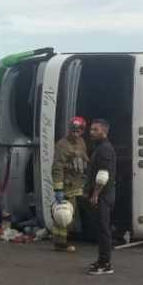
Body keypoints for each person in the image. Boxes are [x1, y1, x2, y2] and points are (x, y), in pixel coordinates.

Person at [51, 116, 89, 252]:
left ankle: (74, 236)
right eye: (73, 129)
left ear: (83, 131)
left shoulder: (81, 142)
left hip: (79, 183)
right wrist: (58, 188)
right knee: (64, 213)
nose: (75, 132)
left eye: (78, 129)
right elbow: (57, 167)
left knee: (77, 213)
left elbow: (85, 158)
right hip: (67, 185)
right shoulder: (62, 144)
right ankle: (59, 243)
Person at [85, 119, 117, 275]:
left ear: (103, 132)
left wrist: (95, 194)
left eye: (94, 130)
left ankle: (105, 264)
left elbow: (103, 174)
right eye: (91, 129)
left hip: (103, 195)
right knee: (101, 228)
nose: (91, 132)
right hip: (104, 195)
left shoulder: (104, 149)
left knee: (104, 229)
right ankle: (102, 260)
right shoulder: (101, 148)